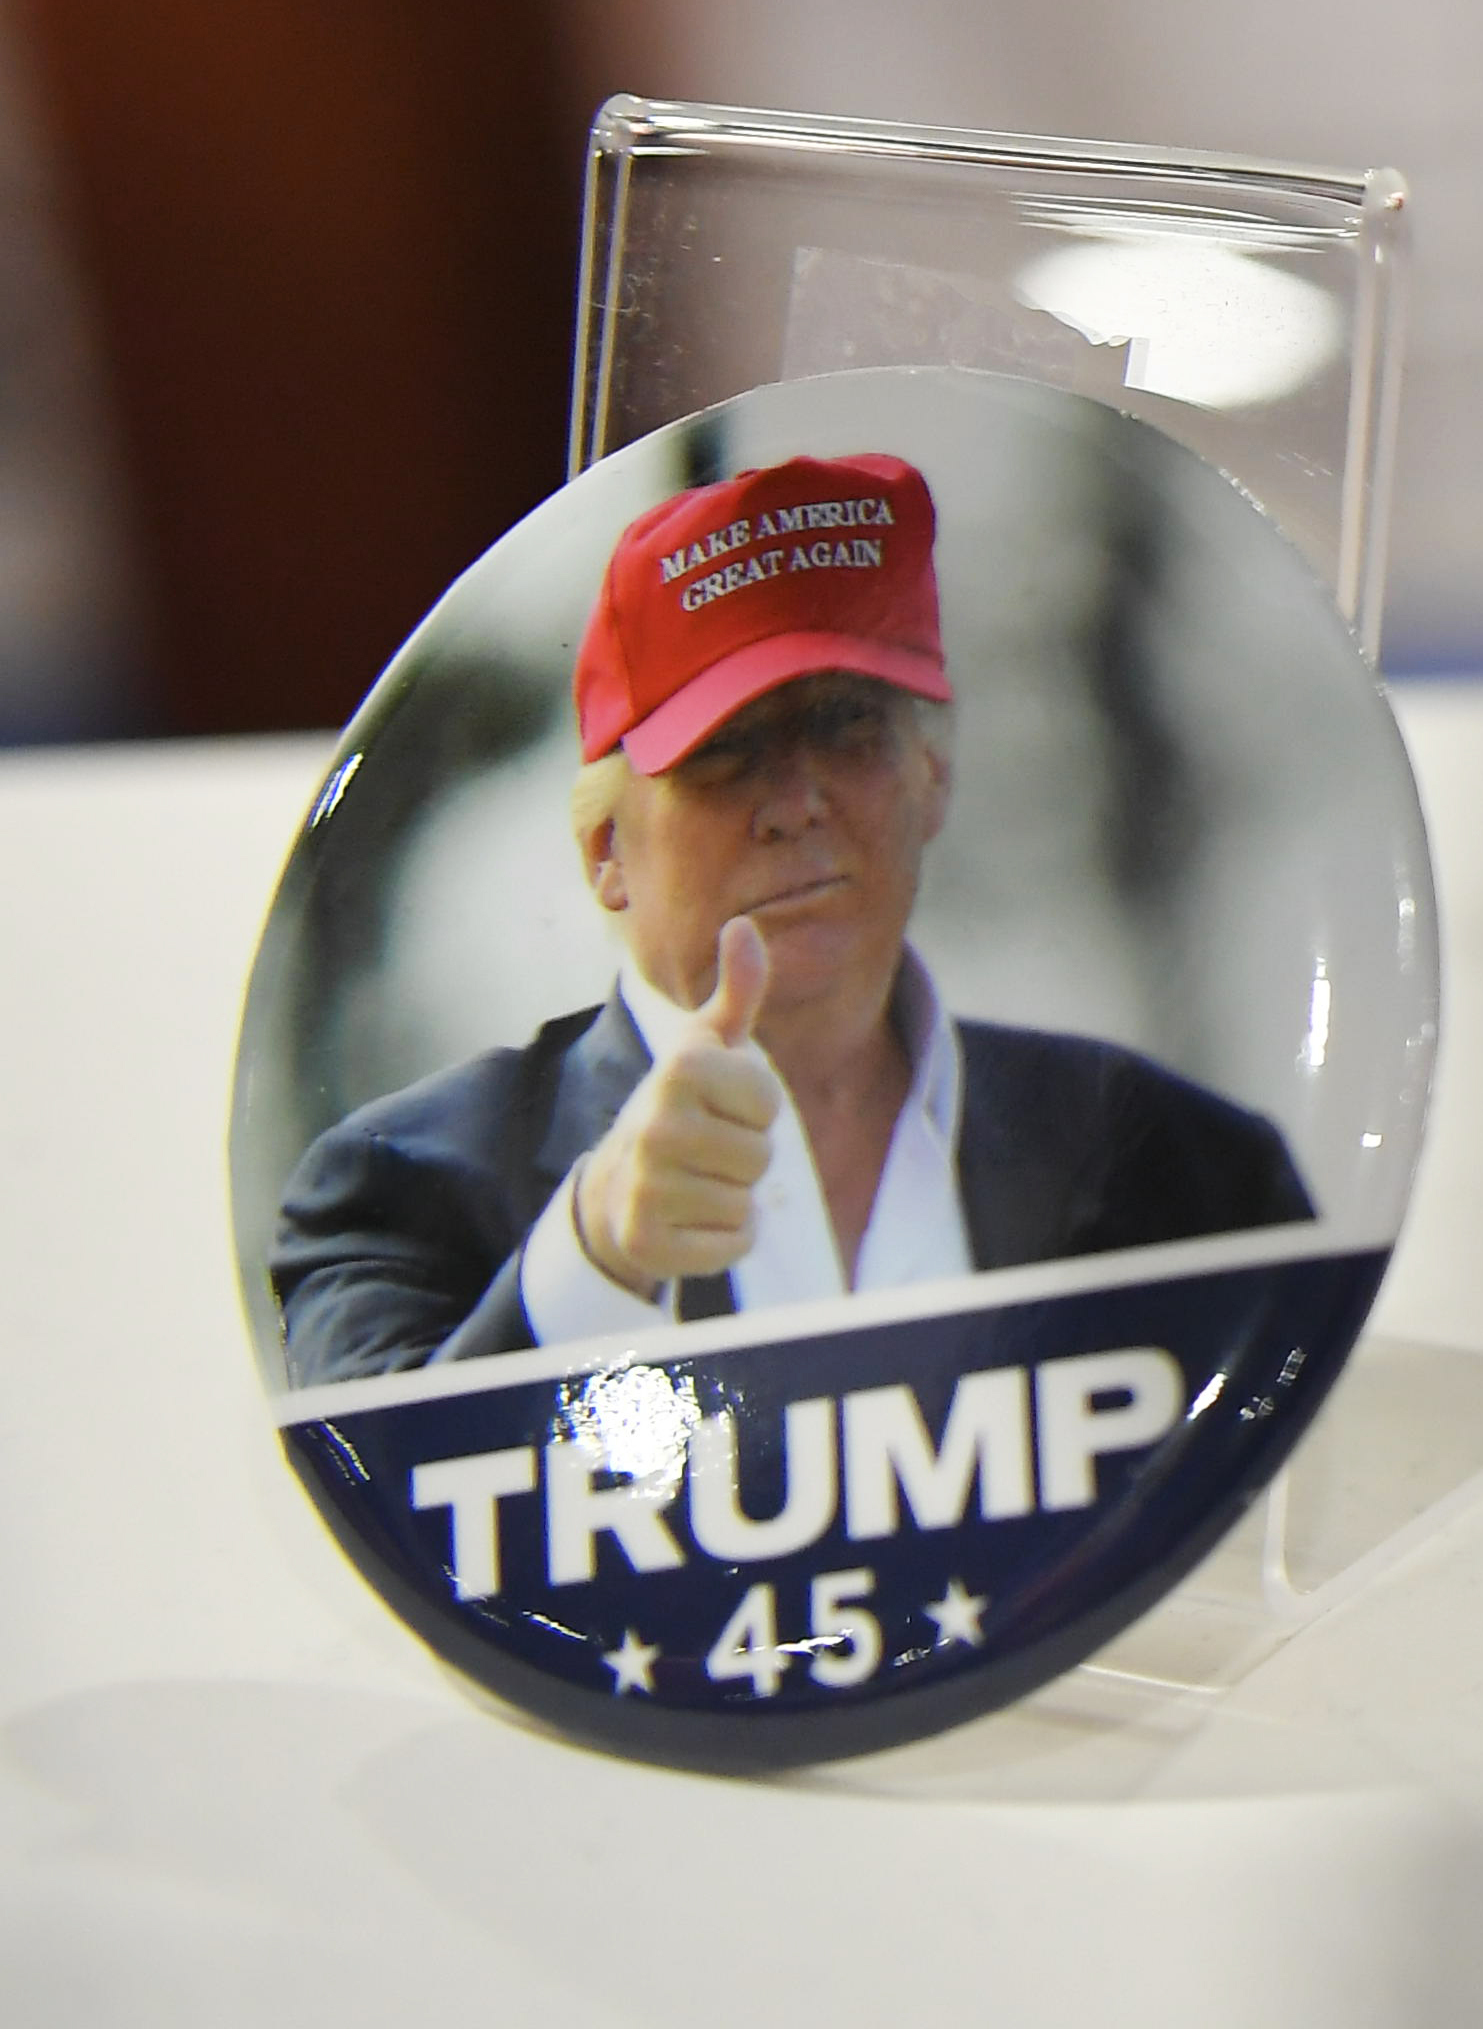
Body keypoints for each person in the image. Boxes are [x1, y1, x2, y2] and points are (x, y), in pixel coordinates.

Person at [268, 450, 1311, 1384]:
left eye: (849, 726)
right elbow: (397, 1503)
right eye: (725, 749)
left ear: (932, 781)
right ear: (606, 852)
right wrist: (595, 1258)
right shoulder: (401, 1190)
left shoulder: (1187, 1166)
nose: (801, 802)